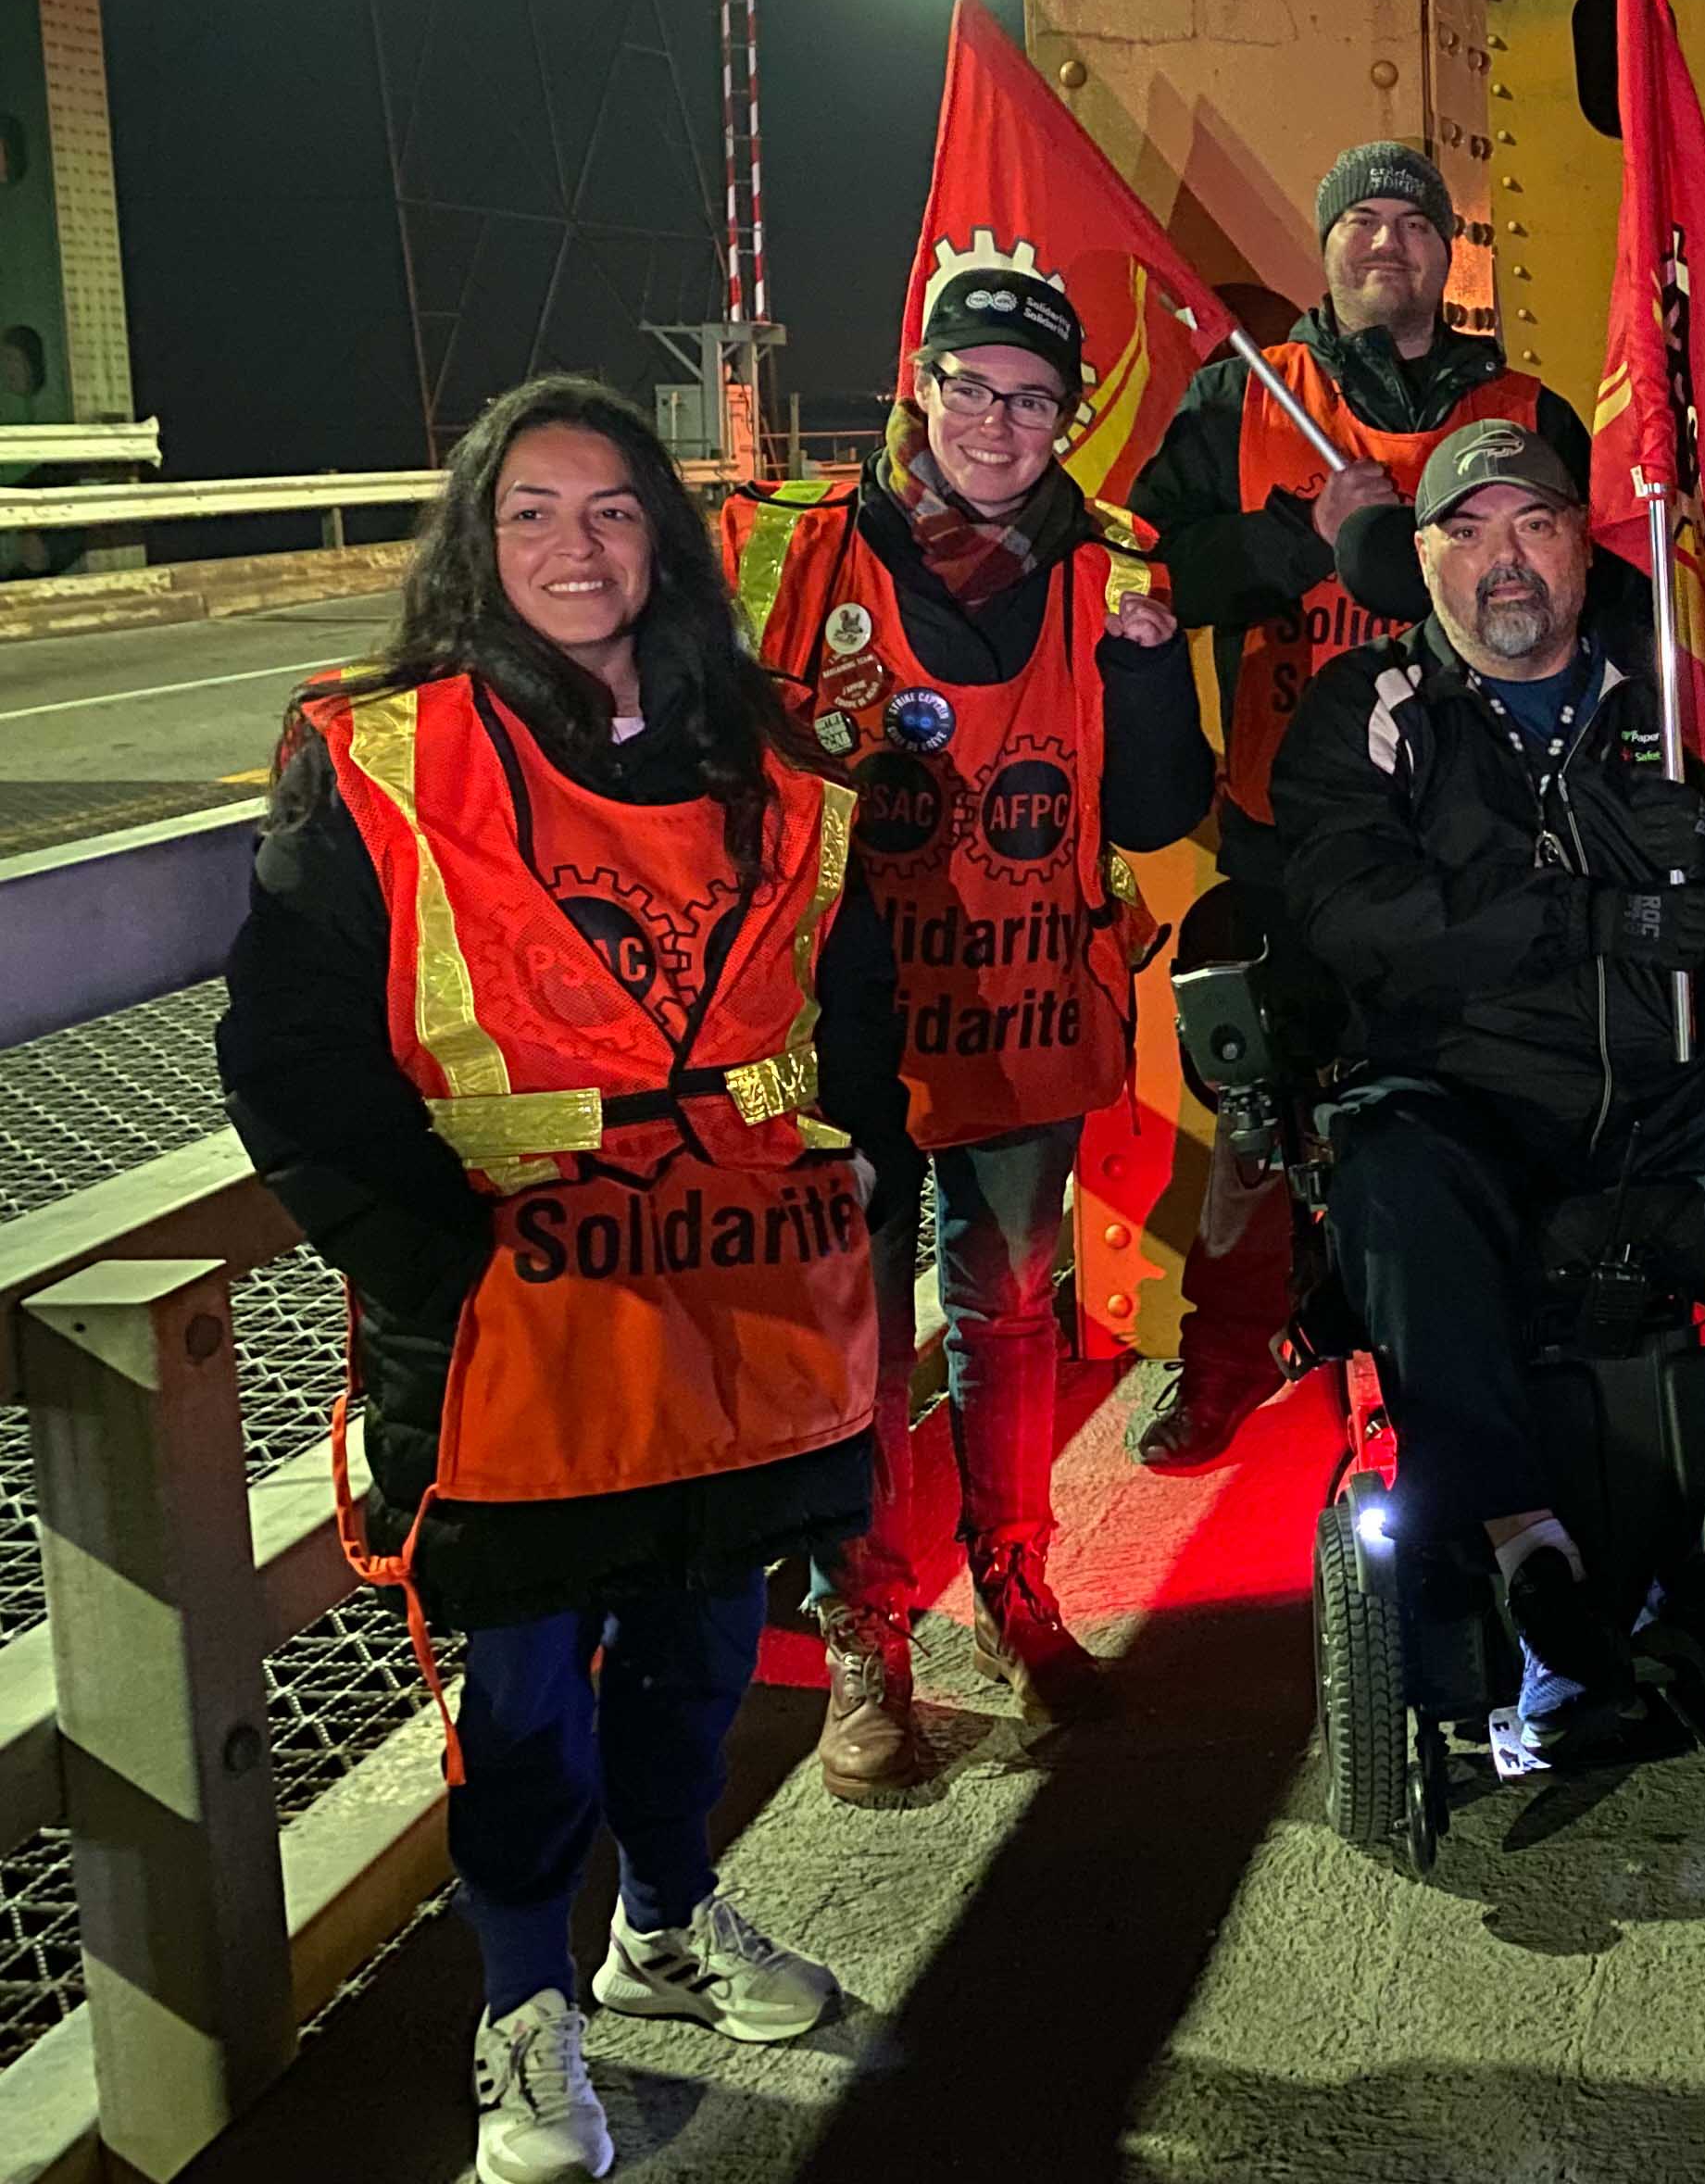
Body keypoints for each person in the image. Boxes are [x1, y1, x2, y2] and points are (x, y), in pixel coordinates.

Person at [219, 376, 898, 2184]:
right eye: (529, 512)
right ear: (474, 541)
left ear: (665, 539)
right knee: (519, 1702)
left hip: (727, 1306)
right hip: (510, 1319)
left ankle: (663, 1928)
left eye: (610, 509)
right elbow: (291, 1058)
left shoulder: (755, 749)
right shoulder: (378, 758)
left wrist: (862, 1195)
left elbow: (844, 994)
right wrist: (449, 1275)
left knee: (691, 1652)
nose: (574, 545)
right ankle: (526, 2022)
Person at [1272, 420, 1705, 1765]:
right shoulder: (1372, 709)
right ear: (1423, 556)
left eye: (1537, 526)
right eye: (1472, 530)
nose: (1508, 561)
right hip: (1466, 1094)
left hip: (1662, 1083)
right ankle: (1528, 1561)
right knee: (1389, 1182)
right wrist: (1580, 915)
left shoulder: (1667, 694)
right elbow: (1347, 912)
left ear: (1579, 545)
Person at [716, 265, 1213, 1788]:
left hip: (1019, 1005)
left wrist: (1139, 675)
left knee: (1005, 1317)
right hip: (840, 1024)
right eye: (974, 384)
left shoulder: (1111, 568)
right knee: (850, 1341)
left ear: (1071, 416)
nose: (1002, 420)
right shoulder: (803, 552)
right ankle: (864, 1632)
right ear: (916, 385)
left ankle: (1013, 1586)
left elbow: (1155, 807)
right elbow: (702, 768)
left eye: (1036, 395)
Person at [1124, 139, 1589, 1466]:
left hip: (1480, 806)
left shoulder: (1521, 404)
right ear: (1325, 253)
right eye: (1361, 223)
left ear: (1452, 250)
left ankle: (1504, 1316)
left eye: (1413, 222)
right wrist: (1298, 539)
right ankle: (1226, 1358)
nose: (1388, 242)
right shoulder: (1244, 394)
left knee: (1487, 1081)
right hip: (1292, 818)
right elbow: (1149, 570)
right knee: (1255, 1111)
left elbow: (1584, 581)